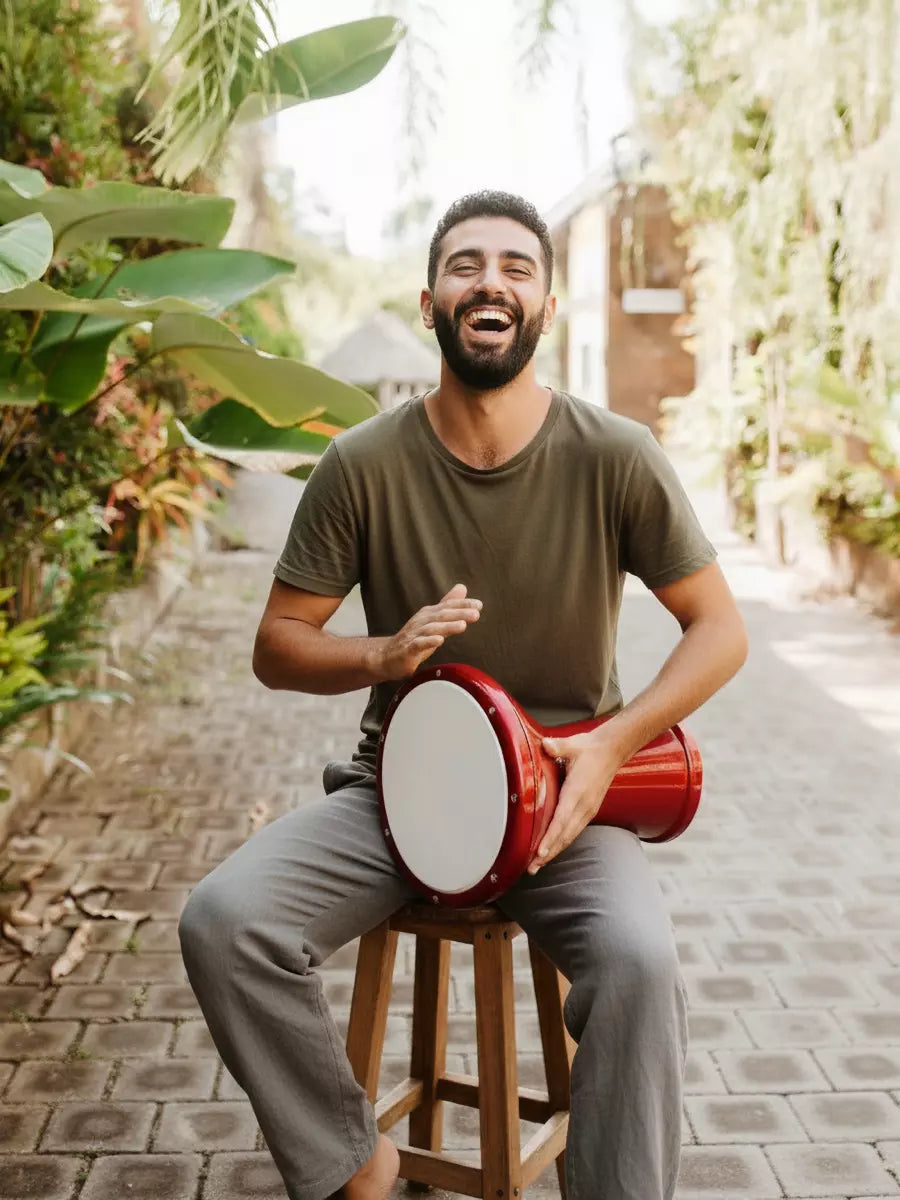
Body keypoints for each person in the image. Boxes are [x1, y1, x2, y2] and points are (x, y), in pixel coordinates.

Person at [178, 190, 748, 1200]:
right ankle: (356, 1161)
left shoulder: (617, 454)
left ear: (545, 304)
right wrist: (381, 656)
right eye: (466, 265)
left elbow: (721, 630)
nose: (491, 281)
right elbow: (278, 646)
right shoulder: (361, 465)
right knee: (225, 921)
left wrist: (614, 744)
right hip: (399, 796)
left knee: (641, 967)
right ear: (433, 298)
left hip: (569, 803)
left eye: (517, 267)